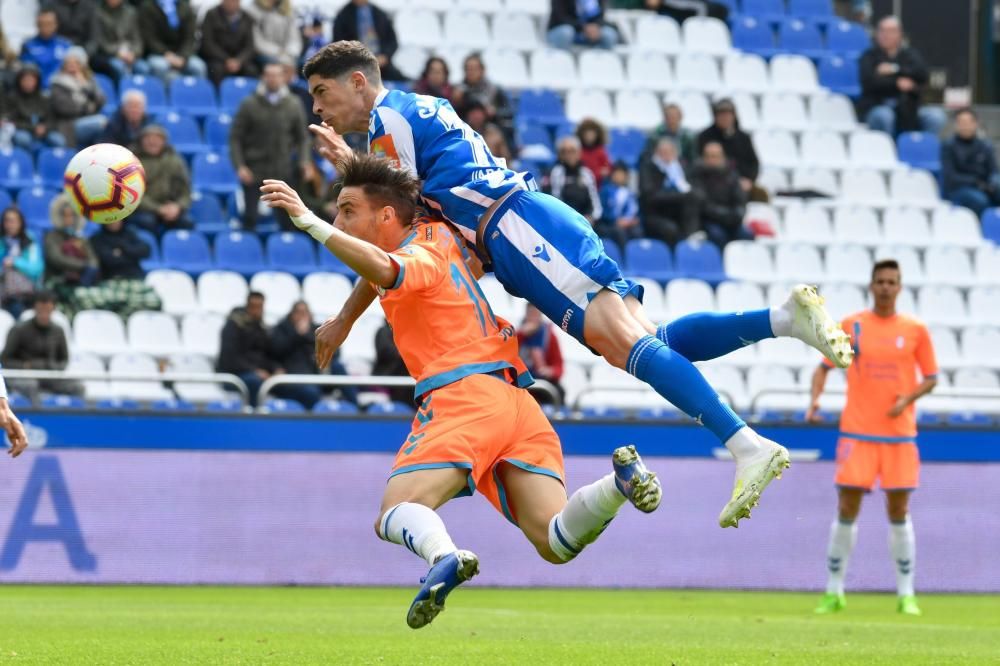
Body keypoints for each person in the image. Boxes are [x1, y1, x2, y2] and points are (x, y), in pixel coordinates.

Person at [303, 42, 855, 528]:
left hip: (517, 229)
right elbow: (412, 217)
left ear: (359, 81)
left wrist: (353, 176)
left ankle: (747, 445)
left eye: (323, 91)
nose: (318, 108)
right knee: (646, 338)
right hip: (521, 227)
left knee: (626, 345)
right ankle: (783, 320)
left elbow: (393, 222)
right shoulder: (414, 112)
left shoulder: (388, 119)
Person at [260, 154, 662, 628]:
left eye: (347, 210)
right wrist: (345, 319)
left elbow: (387, 268)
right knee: (555, 541)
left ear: (385, 216)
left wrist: (309, 222)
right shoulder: (439, 234)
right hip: (516, 401)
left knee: (396, 511)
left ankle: (443, 557)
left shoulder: (420, 257)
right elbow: (379, 264)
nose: (338, 220)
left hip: (464, 395)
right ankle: (619, 485)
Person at [807, 259, 938, 617]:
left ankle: (906, 594)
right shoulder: (853, 325)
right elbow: (823, 366)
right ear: (871, 285)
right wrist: (815, 401)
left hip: (899, 436)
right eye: (880, 280)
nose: (885, 286)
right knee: (847, 509)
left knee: (899, 511)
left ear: (899, 287)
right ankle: (834, 591)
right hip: (858, 433)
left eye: (891, 281)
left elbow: (930, 377)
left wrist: (907, 399)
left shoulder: (915, 330)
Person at [229, 62, 311, 231]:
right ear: (263, 77)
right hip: (254, 170)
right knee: (250, 219)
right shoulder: (249, 104)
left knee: (289, 222)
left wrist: (304, 161)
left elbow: (302, 138)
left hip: (282, 171)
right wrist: (240, 166)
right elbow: (235, 138)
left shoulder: (293, 104)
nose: (273, 79)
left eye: (276, 75)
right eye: (269, 75)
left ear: (283, 78)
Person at [857, 16, 946, 137]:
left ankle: (920, 150)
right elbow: (869, 82)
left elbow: (921, 73)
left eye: (890, 31)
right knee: (884, 115)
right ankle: (887, 153)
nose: (885, 35)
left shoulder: (909, 54)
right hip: (877, 106)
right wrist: (897, 83)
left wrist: (895, 69)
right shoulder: (868, 56)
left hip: (910, 108)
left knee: (936, 116)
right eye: (882, 30)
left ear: (899, 34)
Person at [1, 290, 82, 401]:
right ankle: (36, 418)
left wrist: (54, 367)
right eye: (41, 310)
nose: (44, 314)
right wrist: (25, 366)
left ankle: (74, 417)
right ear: (35, 309)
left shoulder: (58, 330)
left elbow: (64, 359)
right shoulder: (18, 330)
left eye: (47, 311)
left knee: (78, 387)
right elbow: (5, 359)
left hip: (50, 374)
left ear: (53, 310)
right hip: (25, 375)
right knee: (31, 386)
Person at [86, 220, 162, 317]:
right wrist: (131, 255)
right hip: (111, 281)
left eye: (117, 219)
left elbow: (146, 250)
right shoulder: (97, 238)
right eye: (111, 219)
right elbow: (110, 260)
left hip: (135, 279)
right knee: (109, 304)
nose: (114, 222)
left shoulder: (129, 233)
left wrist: (123, 249)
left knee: (155, 302)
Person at [217, 291, 280, 406]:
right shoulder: (232, 326)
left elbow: (266, 355)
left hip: (257, 373)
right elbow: (230, 359)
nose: (256, 311)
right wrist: (255, 371)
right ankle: (255, 416)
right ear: (247, 306)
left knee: (282, 381)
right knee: (254, 381)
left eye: (260, 307)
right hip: (233, 375)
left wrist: (276, 368)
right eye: (253, 307)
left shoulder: (262, 328)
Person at [130, 124, 194, 235]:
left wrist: (178, 206)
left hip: (171, 207)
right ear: (141, 141)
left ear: (164, 141)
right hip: (143, 209)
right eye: (148, 138)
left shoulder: (175, 160)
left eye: (157, 138)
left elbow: (186, 190)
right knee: (147, 222)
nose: (152, 142)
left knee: (187, 222)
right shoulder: (132, 162)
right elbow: (132, 193)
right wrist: (158, 209)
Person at [697, 98, 764, 203]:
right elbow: (699, 163)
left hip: (740, 182)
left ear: (734, 116)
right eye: (721, 114)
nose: (725, 118)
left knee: (762, 195)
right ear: (715, 116)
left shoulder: (743, 138)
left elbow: (753, 163)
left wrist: (749, 180)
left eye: (728, 114)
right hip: (713, 183)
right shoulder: (705, 137)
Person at [43, 193, 100, 315]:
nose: (69, 220)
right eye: (65, 216)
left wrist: (83, 252)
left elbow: (93, 262)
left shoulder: (81, 239)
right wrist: (83, 265)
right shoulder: (51, 236)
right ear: (59, 216)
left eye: (72, 216)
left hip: (82, 282)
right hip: (58, 281)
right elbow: (57, 259)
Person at [689, 141, 751, 249]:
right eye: (709, 156)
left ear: (723, 157)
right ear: (703, 158)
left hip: (731, 219)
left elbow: (740, 201)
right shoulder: (697, 176)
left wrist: (736, 215)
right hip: (709, 221)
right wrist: (726, 216)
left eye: (716, 156)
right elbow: (704, 205)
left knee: (747, 234)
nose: (712, 160)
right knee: (718, 235)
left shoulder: (732, 175)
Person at [639, 137, 699, 247]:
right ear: (656, 152)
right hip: (655, 214)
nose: (666, 155)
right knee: (671, 229)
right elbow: (650, 197)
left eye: (669, 152)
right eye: (662, 152)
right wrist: (679, 196)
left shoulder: (682, 167)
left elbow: (692, 190)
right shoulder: (648, 168)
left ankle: (691, 243)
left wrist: (682, 196)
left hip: (678, 212)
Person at [941, 107, 1000, 218]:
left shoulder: (985, 145)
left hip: (985, 185)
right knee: (980, 201)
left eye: (969, 122)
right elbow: (951, 177)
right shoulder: (949, 146)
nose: (965, 126)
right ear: (956, 125)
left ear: (975, 124)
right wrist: (976, 182)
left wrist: (992, 183)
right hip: (959, 189)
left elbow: (994, 170)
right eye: (962, 122)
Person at [269, 300, 325, 409]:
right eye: (298, 312)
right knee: (310, 393)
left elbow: (333, 350)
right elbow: (276, 351)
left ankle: (360, 412)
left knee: (338, 369)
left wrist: (306, 334)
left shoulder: (317, 330)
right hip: (289, 377)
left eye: (305, 313)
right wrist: (297, 334)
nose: (301, 316)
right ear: (292, 315)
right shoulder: (281, 329)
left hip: (314, 374)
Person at [332, 0, 405, 82]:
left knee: (402, 81)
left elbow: (392, 41)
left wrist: (385, 56)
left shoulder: (380, 14)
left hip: (381, 65)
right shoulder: (343, 16)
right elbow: (338, 44)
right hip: (355, 66)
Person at [48, 47, 107, 147]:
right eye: (69, 63)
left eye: (76, 63)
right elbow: (65, 108)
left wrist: (85, 86)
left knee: (107, 126)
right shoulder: (57, 83)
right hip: (69, 125)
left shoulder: (87, 81)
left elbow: (101, 101)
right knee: (101, 122)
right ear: (64, 65)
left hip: (88, 118)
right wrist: (88, 107)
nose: (72, 66)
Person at [138, 0, 208, 81]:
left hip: (181, 53)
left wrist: (183, 56)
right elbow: (149, 38)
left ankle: (197, 93)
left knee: (198, 66)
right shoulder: (148, 7)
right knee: (160, 66)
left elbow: (190, 38)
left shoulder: (185, 7)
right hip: (158, 53)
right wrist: (166, 53)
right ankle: (164, 93)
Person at [455, 53, 514, 147]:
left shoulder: (494, 90)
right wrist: (457, 102)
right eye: (468, 69)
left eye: (475, 69)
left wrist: (494, 112)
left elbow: (508, 113)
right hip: (467, 130)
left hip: (491, 128)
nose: (471, 72)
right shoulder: (459, 91)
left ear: (482, 70)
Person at [6, 64, 66, 152]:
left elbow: (52, 119)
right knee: (23, 139)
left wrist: (45, 128)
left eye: (31, 80)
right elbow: (12, 121)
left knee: (59, 140)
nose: (28, 83)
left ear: (37, 81)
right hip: (23, 129)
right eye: (25, 80)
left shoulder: (44, 97)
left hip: (44, 130)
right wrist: (33, 128)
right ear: (19, 81)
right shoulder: (12, 98)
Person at [87, 0, 150, 83]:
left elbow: (137, 39)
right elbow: (100, 40)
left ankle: (141, 93)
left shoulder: (130, 12)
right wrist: (117, 52)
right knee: (118, 67)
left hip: (131, 54)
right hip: (108, 55)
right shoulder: (98, 11)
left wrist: (134, 53)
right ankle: (124, 92)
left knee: (143, 68)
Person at [546, 136, 602, 228]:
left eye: (572, 151)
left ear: (579, 153)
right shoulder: (555, 173)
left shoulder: (587, 173)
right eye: (564, 152)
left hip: (586, 222)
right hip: (564, 221)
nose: (569, 155)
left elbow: (595, 203)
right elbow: (555, 202)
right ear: (560, 155)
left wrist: (591, 218)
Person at [199, 0, 258, 85]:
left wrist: (239, 60)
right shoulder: (211, 15)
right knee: (216, 70)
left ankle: (250, 97)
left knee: (252, 70)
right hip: (218, 58)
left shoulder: (247, 17)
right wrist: (226, 59)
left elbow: (250, 46)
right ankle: (218, 96)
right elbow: (207, 43)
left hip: (239, 59)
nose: (231, 3)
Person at [0, 208, 44, 319]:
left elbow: (36, 268)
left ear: (21, 223)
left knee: (17, 307)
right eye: (7, 221)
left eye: (14, 221)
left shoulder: (29, 241)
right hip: (2, 289)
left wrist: (15, 262)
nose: (10, 225)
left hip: (25, 292)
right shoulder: (1, 241)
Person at [517, 305, 564, 404]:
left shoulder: (549, 336)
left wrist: (550, 371)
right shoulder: (516, 335)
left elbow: (558, 366)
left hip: (542, 380)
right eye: (531, 314)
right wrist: (521, 335)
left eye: (536, 314)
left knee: (559, 391)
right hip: (521, 378)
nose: (533, 318)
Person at [19, 10, 73, 86]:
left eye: (49, 24)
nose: (45, 27)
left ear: (56, 24)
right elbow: (26, 72)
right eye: (41, 24)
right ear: (37, 25)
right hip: (36, 90)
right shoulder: (28, 45)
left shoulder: (66, 45)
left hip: (60, 89)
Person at [598, 161, 642, 253]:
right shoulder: (605, 191)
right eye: (617, 174)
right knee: (619, 232)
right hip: (609, 224)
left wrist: (632, 221)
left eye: (622, 175)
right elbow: (602, 211)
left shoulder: (630, 193)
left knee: (637, 231)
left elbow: (636, 211)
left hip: (628, 223)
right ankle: (624, 259)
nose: (619, 177)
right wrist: (616, 221)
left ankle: (636, 258)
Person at [246, 0, 302, 68]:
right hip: (263, 55)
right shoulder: (252, 10)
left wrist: (291, 52)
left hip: (287, 54)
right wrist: (279, 52)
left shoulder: (287, 9)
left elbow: (294, 38)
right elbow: (257, 42)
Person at [546, 0, 619, 50]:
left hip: (588, 31)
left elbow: (600, 16)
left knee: (609, 34)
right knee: (566, 32)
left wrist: (595, 26)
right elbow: (561, 18)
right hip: (562, 30)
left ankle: (597, 63)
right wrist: (583, 27)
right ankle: (561, 63)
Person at [371, 321, 411, 405]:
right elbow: (385, 351)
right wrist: (404, 353)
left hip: (404, 379)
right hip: (386, 376)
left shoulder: (406, 332)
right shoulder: (384, 331)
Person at [577, 118, 611, 186]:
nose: (589, 136)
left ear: (597, 135)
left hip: (599, 185)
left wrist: (599, 173)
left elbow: (607, 169)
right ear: (581, 134)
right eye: (586, 134)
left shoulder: (601, 151)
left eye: (592, 134)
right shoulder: (578, 151)